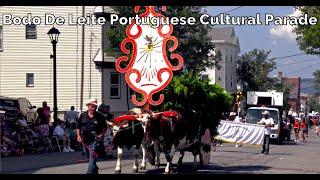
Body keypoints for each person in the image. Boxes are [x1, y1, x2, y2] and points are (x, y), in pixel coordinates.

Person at [77, 98, 107, 174]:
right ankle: (95, 169)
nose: (93, 108)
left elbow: (104, 127)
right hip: (85, 140)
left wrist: (101, 135)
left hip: (95, 140)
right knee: (90, 158)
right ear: (88, 106)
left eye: (95, 107)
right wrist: (78, 136)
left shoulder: (100, 116)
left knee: (92, 157)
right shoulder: (82, 115)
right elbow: (78, 126)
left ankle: (89, 172)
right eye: (92, 106)